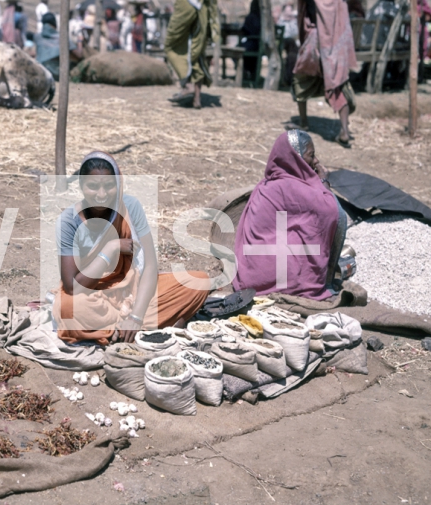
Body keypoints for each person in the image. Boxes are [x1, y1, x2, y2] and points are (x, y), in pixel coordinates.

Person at [53, 152, 210, 345]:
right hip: (92, 294)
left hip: (132, 290)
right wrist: (110, 248)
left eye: (109, 186)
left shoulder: (130, 207)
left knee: (199, 282)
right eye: (93, 186)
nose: (101, 194)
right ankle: (150, 328)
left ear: (118, 184)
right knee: (68, 308)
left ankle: (122, 331)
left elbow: (150, 266)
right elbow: (72, 287)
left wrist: (136, 316)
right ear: (81, 185)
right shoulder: (69, 221)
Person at [233, 130, 347, 301]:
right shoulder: (296, 188)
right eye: (311, 155)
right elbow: (334, 213)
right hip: (278, 275)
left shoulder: (266, 184)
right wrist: (323, 182)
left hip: (252, 274)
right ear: (296, 158)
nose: (316, 161)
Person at [290, 0, 357, 147]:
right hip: (336, 42)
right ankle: (345, 130)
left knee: (300, 78)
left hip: (316, 40)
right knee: (336, 84)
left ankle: (303, 123)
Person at [164, 0, 220, 109]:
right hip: (203, 5)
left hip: (186, 4)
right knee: (197, 50)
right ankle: (197, 99)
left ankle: (188, 86)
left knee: (170, 46)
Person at [34, 12, 82, 80]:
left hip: (39, 72)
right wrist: (80, 42)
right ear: (54, 23)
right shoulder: (63, 38)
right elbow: (79, 56)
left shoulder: (37, 37)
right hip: (56, 74)